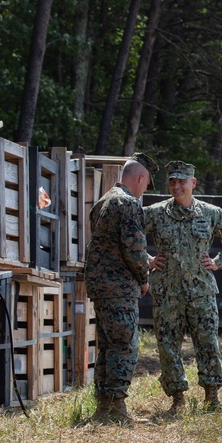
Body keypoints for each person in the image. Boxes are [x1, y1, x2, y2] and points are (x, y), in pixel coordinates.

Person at [144, 161, 222, 414]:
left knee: (207, 343)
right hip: (167, 292)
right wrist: (148, 259)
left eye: (181, 181)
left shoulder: (212, 214)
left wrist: (219, 262)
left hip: (201, 292)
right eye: (172, 181)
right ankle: (177, 398)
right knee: (168, 346)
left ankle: (212, 397)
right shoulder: (155, 213)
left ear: (193, 183)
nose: (176, 186)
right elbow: (129, 235)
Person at [85, 152, 158, 425]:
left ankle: (104, 407)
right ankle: (115, 410)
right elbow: (135, 249)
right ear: (141, 177)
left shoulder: (103, 201)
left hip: (101, 286)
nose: (144, 189)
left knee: (107, 346)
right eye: (147, 183)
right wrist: (143, 278)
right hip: (119, 287)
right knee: (125, 345)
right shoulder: (128, 204)